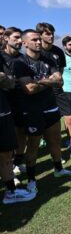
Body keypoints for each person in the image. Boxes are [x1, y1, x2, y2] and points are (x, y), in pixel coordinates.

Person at [14, 29, 71, 194]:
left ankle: (58, 169)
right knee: (33, 146)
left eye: (38, 39)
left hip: (51, 107)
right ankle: (31, 180)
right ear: (25, 43)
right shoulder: (20, 62)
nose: (38, 42)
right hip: (33, 111)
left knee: (55, 141)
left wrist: (41, 82)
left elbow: (60, 81)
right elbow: (29, 89)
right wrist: (49, 81)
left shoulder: (48, 58)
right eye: (34, 40)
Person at [0, 51, 36, 204]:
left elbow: (9, 83)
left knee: (6, 153)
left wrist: (5, 78)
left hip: (3, 110)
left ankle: (11, 192)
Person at [0, 27, 27, 177]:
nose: (19, 41)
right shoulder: (1, 57)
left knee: (21, 133)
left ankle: (18, 162)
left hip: (21, 101)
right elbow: (6, 83)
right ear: (6, 39)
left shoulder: (22, 58)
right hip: (4, 103)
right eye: (16, 38)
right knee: (7, 141)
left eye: (20, 38)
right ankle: (8, 171)